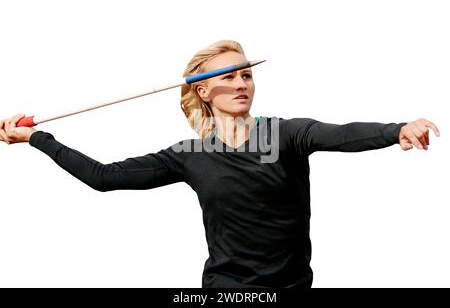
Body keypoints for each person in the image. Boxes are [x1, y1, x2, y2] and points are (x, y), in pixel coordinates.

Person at [0, 40, 440, 288]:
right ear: (204, 92)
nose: (242, 83)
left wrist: (397, 129)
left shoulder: (286, 133)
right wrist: (39, 137)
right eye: (228, 76)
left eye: (246, 73)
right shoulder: (188, 157)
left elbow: (341, 133)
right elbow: (104, 177)